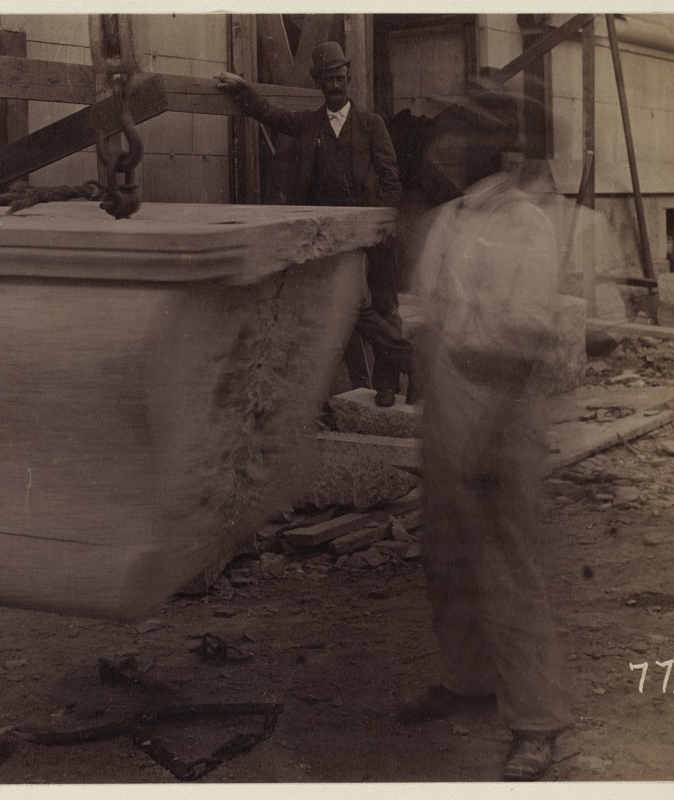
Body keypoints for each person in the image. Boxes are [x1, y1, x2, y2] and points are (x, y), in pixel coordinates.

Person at [396, 86, 572, 781]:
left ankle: (537, 722)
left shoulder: (526, 223)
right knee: (446, 557)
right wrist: (396, 342)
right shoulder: (449, 220)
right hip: (449, 397)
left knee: (505, 566)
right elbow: (427, 312)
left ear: (484, 152)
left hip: (503, 403)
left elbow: (525, 335)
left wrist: (489, 438)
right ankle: (466, 680)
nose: (440, 154)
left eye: (451, 144)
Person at [215, 42, 409, 407]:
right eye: (328, 80)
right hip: (332, 238)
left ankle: (387, 383)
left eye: (340, 78)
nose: (335, 86)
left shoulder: (371, 124)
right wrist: (243, 89)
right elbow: (269, 114)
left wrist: (382, 222)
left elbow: (391, 178)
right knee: (342, 309)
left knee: (384, 307)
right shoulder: (309, 124)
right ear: (319, 83)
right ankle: (329, 391)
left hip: (372, 233)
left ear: (348, 77)